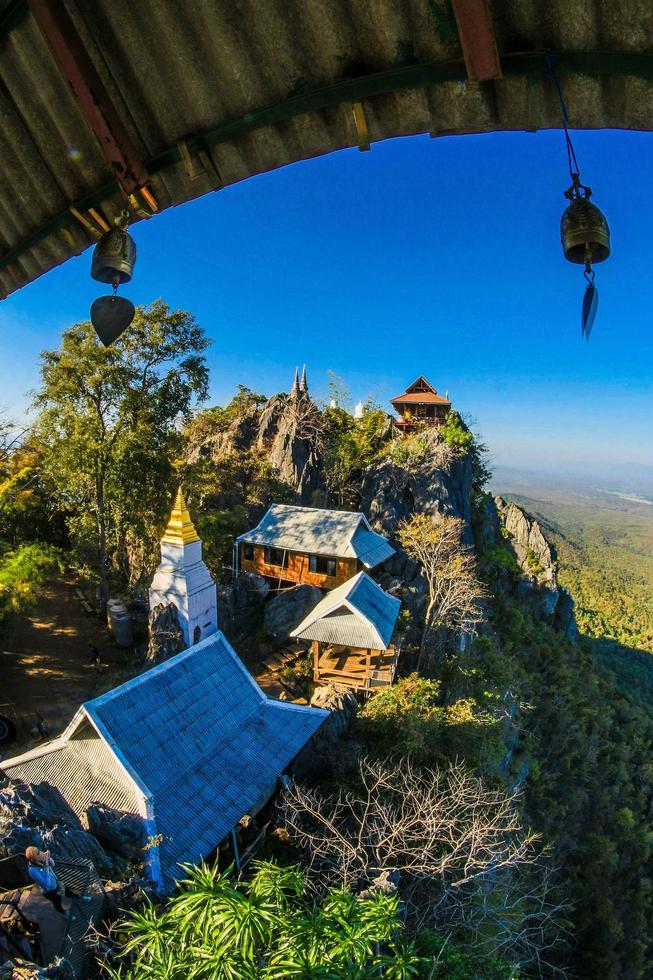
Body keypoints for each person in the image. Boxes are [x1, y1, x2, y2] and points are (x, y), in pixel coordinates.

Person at [24, 847, 69, 916]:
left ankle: (79, 898)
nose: (40, 853)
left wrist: (48, 858)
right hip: (50, 891)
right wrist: (46, 867)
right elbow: (46, 884)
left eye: (39, 851)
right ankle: (63, 913)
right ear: (33, 859)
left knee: (67, 891)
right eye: (38, 853)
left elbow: (53, 864)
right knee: (57, 902)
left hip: (56, 882)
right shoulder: (32, 870)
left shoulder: (41, 859)